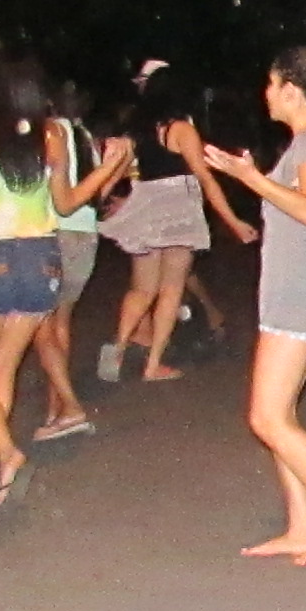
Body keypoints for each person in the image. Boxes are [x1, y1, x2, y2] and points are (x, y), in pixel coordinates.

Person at [0, 61, 119, 507]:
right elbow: (66, 204)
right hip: (42, 261)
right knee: (2, 372)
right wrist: (106, 170)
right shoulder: (52, 138)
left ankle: (9, 455)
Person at [202, 48, 306, 565]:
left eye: (272, 85)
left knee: (267, 417)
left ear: (292, 90)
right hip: (294, 291)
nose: (266, 94)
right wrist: (253, 177)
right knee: (280, 413)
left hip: (303, 293)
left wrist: (250, 178)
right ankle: (300, 527)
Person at [97, 63, 257, 383]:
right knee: (171, 288)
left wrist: (100, 200)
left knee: (142, 289)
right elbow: (205, 179)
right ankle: (153, 364)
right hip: (179, 207)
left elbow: (120, 170)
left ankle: (118, 347)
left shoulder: (138, 131)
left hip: (147, 203)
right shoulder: (181, 129)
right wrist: (233, 221)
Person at [30, 85, 130, 441]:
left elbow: (60, 199)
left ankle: (68, 406)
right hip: (84, 236)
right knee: (59, 324)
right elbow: (96, 194)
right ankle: (55, 409)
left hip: (55, 233)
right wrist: (115, 167)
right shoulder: (85, 136)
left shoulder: (52, 132)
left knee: (41, 327)